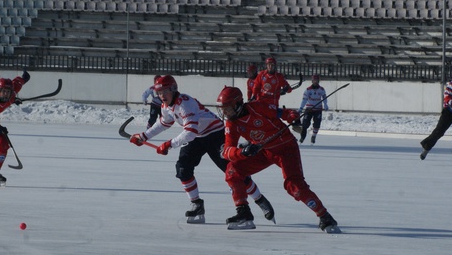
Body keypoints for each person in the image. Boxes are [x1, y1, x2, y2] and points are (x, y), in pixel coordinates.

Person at [129, 75, 275, 225]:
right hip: (197, 137)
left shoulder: (185, 103)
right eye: (159, 93)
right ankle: (197, 204)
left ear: (173, 89)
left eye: (165, 91)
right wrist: (144, 136)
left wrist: (169, 144)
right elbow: (164, 122)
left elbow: (190, 132)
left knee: (233, 172)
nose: (162, 96)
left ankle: (259, 199)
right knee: (183, 169)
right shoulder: (165, 106)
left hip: (214, 134)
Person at [216, 86, 340, 232]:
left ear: (238, 104)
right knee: (233, 170)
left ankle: (324, 216)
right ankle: (244, 213)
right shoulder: (232, 123)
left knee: (294, 186)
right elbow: (227, 151)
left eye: (227, 108)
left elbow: (283, 112)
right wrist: (244, 152)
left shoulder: (257, 107)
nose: (224, 112)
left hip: (285, 148)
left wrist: (293, 118)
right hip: (263, 151)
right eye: (222, 109)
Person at [298, 74, 329, 144]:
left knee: (317, 124)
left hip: (318, 109)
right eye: (314, 80)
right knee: (305, 124)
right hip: (309, 109)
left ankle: (313, 136)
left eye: (317, 80)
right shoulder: (308, 90)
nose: (315, 82)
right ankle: (302, 137)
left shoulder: (321, 89)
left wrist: (326, 105)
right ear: (312, 81)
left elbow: (324, 98)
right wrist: (301, 108)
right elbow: (304, 100)